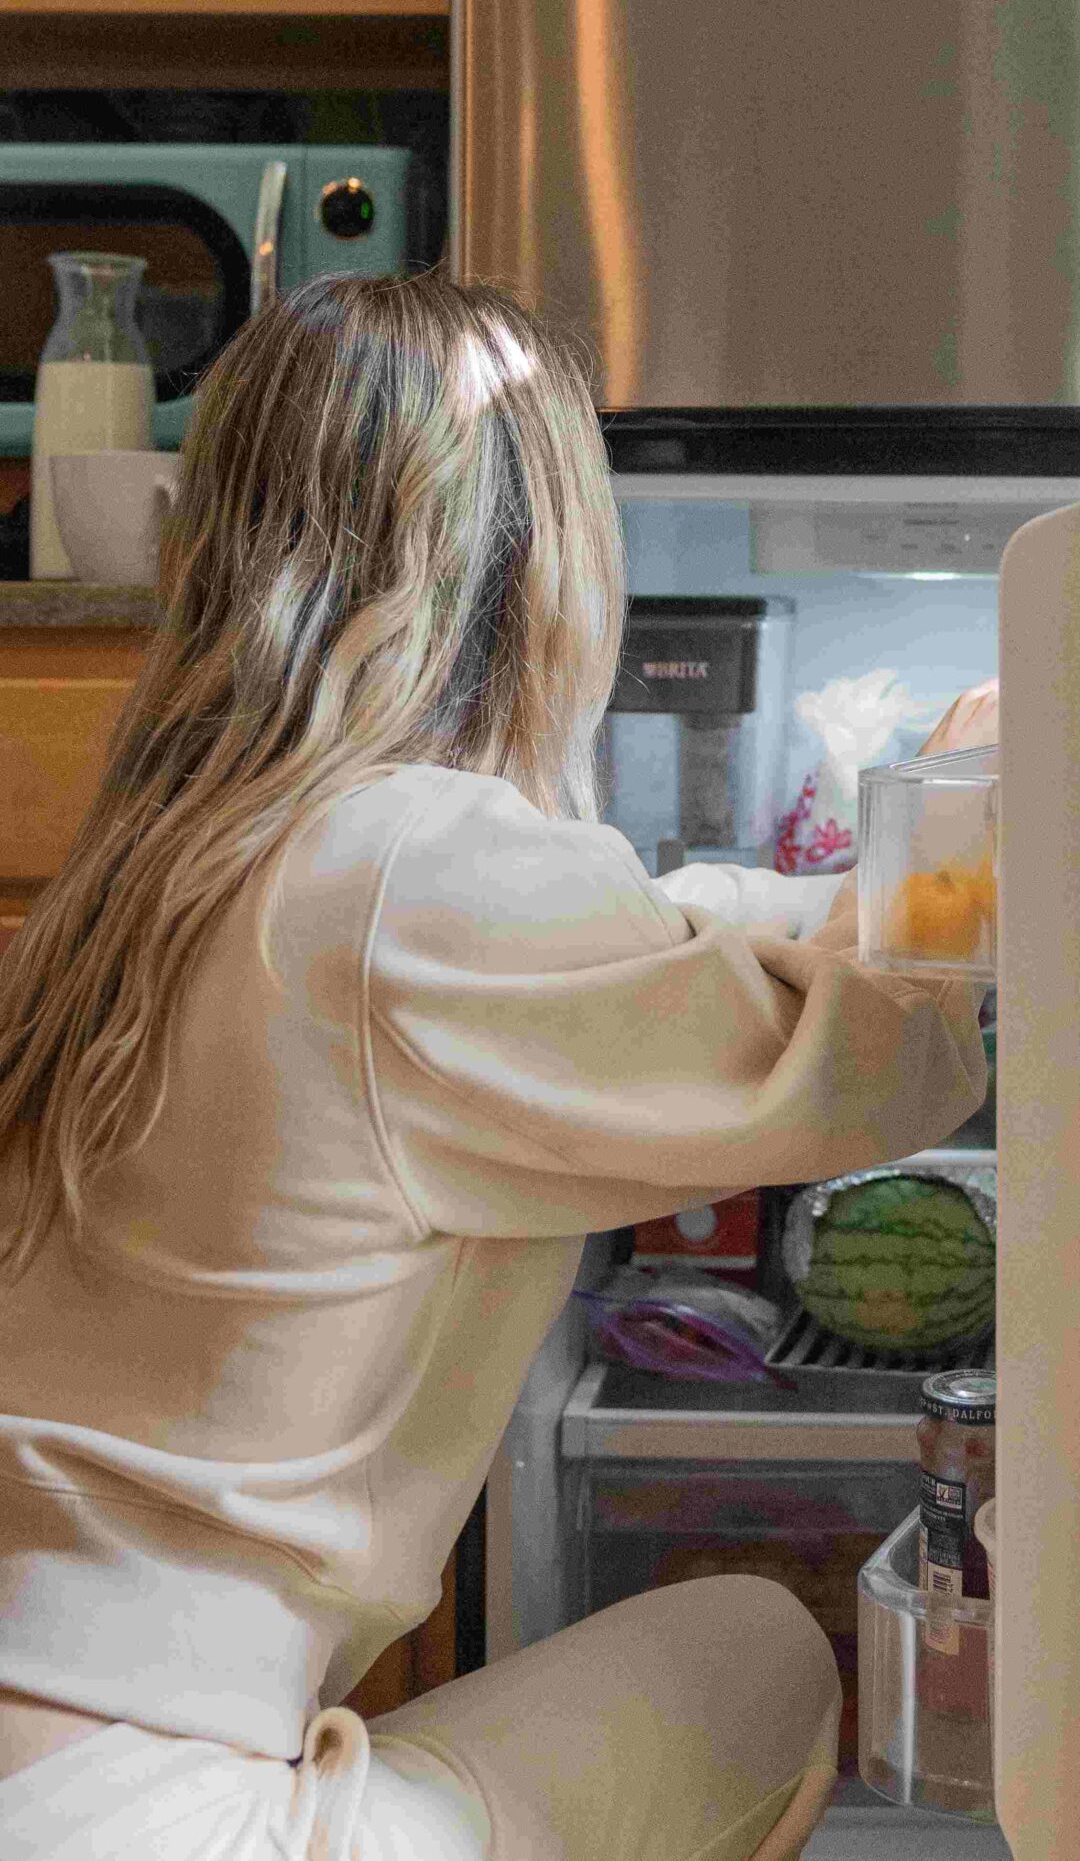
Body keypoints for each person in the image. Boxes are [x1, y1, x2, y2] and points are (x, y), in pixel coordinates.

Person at [0, 274, 991, 1861]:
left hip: (49, 1767)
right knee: (762, 1653)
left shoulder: (171, 871)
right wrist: (975, 823)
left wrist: (861, 887)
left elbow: (641, 937)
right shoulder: (420, 870)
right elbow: (854, 1068)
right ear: (538, 568)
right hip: (141, 1819)